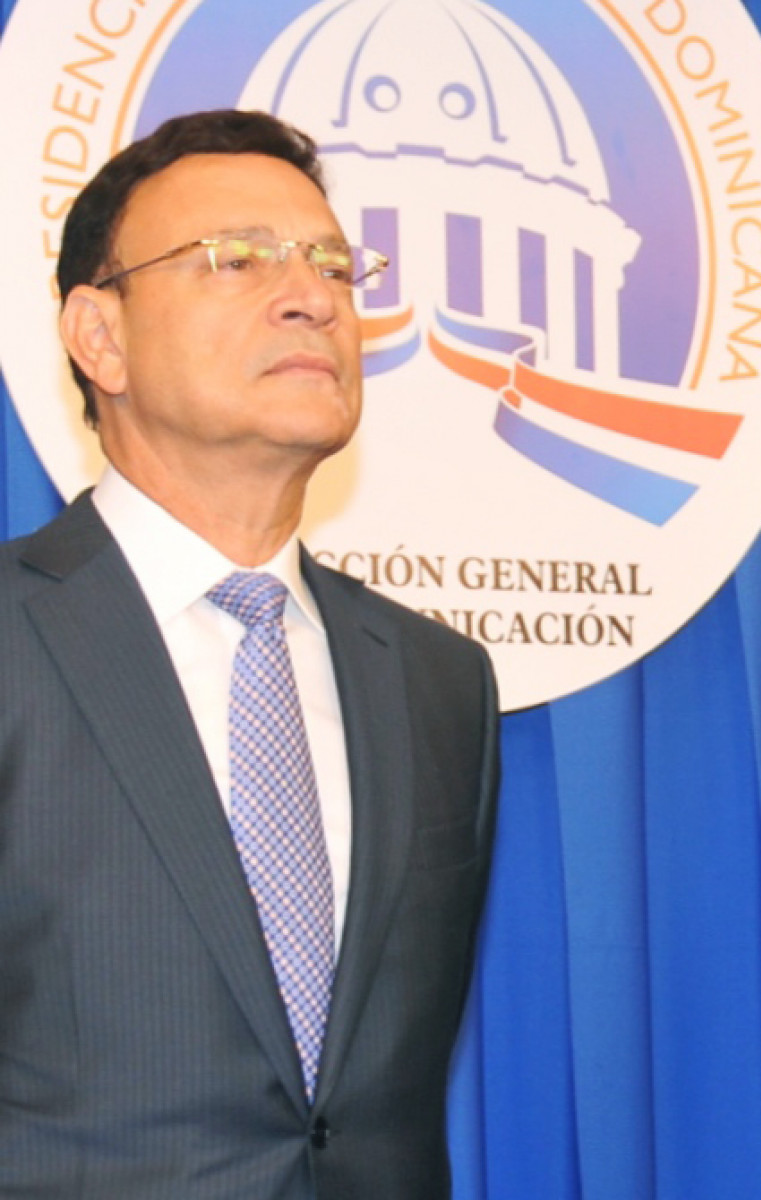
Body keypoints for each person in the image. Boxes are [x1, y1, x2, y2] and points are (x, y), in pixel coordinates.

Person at [0, 109, 500, 1197]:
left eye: (332, 264)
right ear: (99, 336)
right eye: (237, 258)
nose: (312, 296)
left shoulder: (437, 683)